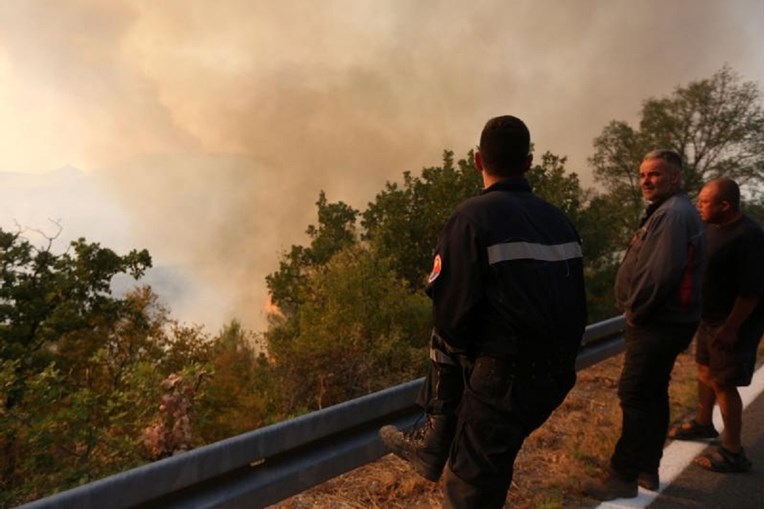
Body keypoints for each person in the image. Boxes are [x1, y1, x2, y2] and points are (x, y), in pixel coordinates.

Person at [379, 115, 588, 508]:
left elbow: (451, 316)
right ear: (528, 162)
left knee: (470, 489)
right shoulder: (559, 220)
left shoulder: (472, 218)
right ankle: (437, 436)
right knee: (491, 471)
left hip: (504, 381)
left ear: (477, 160)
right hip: (555, 375)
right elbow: (575, 304)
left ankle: (434, 434)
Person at [583, 149, 705, 501]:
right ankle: (648, 469)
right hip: (666, 322)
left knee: (634, 394)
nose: (645, 181)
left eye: (654, 174)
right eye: (642, 175)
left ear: (675, 177)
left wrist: (636, 310)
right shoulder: (672, 211)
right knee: (652, 393)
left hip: (656, 323)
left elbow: (661, 273)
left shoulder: (673, 215)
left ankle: (622, 475)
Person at [667, 177, 763, 473]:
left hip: (734, 321)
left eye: (705, 201)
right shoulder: (711, 228)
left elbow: (751, 292)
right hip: (709, 318)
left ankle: (734, 450)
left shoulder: (748, 235)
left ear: (725, 205)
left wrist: (732, 327)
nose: (699, 206)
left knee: (724, 382)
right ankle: (703, 422)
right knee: (705, 371)